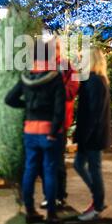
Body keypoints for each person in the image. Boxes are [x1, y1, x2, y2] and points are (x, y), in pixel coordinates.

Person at [5, 40, 66, 224]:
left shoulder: (27, 77)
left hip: (30, 130)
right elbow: (59, 108)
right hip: (49, 130)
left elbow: (9, 99)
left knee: (30, 170)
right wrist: (54, 131)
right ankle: (51, 215)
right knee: (49, 171)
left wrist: (28, 106)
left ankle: (30, 211)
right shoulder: (55, 77)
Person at [40, 39, 79, 209]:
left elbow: (73, 89)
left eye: (56, 48)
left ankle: (60, 196)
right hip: (41, 121)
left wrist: (54, 91)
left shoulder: (67, 66)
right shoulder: (40, 66)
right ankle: (49, 195)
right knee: (44, 162)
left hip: (60, 121)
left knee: (57, 161)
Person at [74, 47, 111, 221]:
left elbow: (94, 112)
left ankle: (97, 204)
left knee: (92, 168)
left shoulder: (95, 81)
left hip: (92, 135)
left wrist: (85, 136)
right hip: (91, 134)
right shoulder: (94, 79)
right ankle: (97, 199)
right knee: (81, 165)